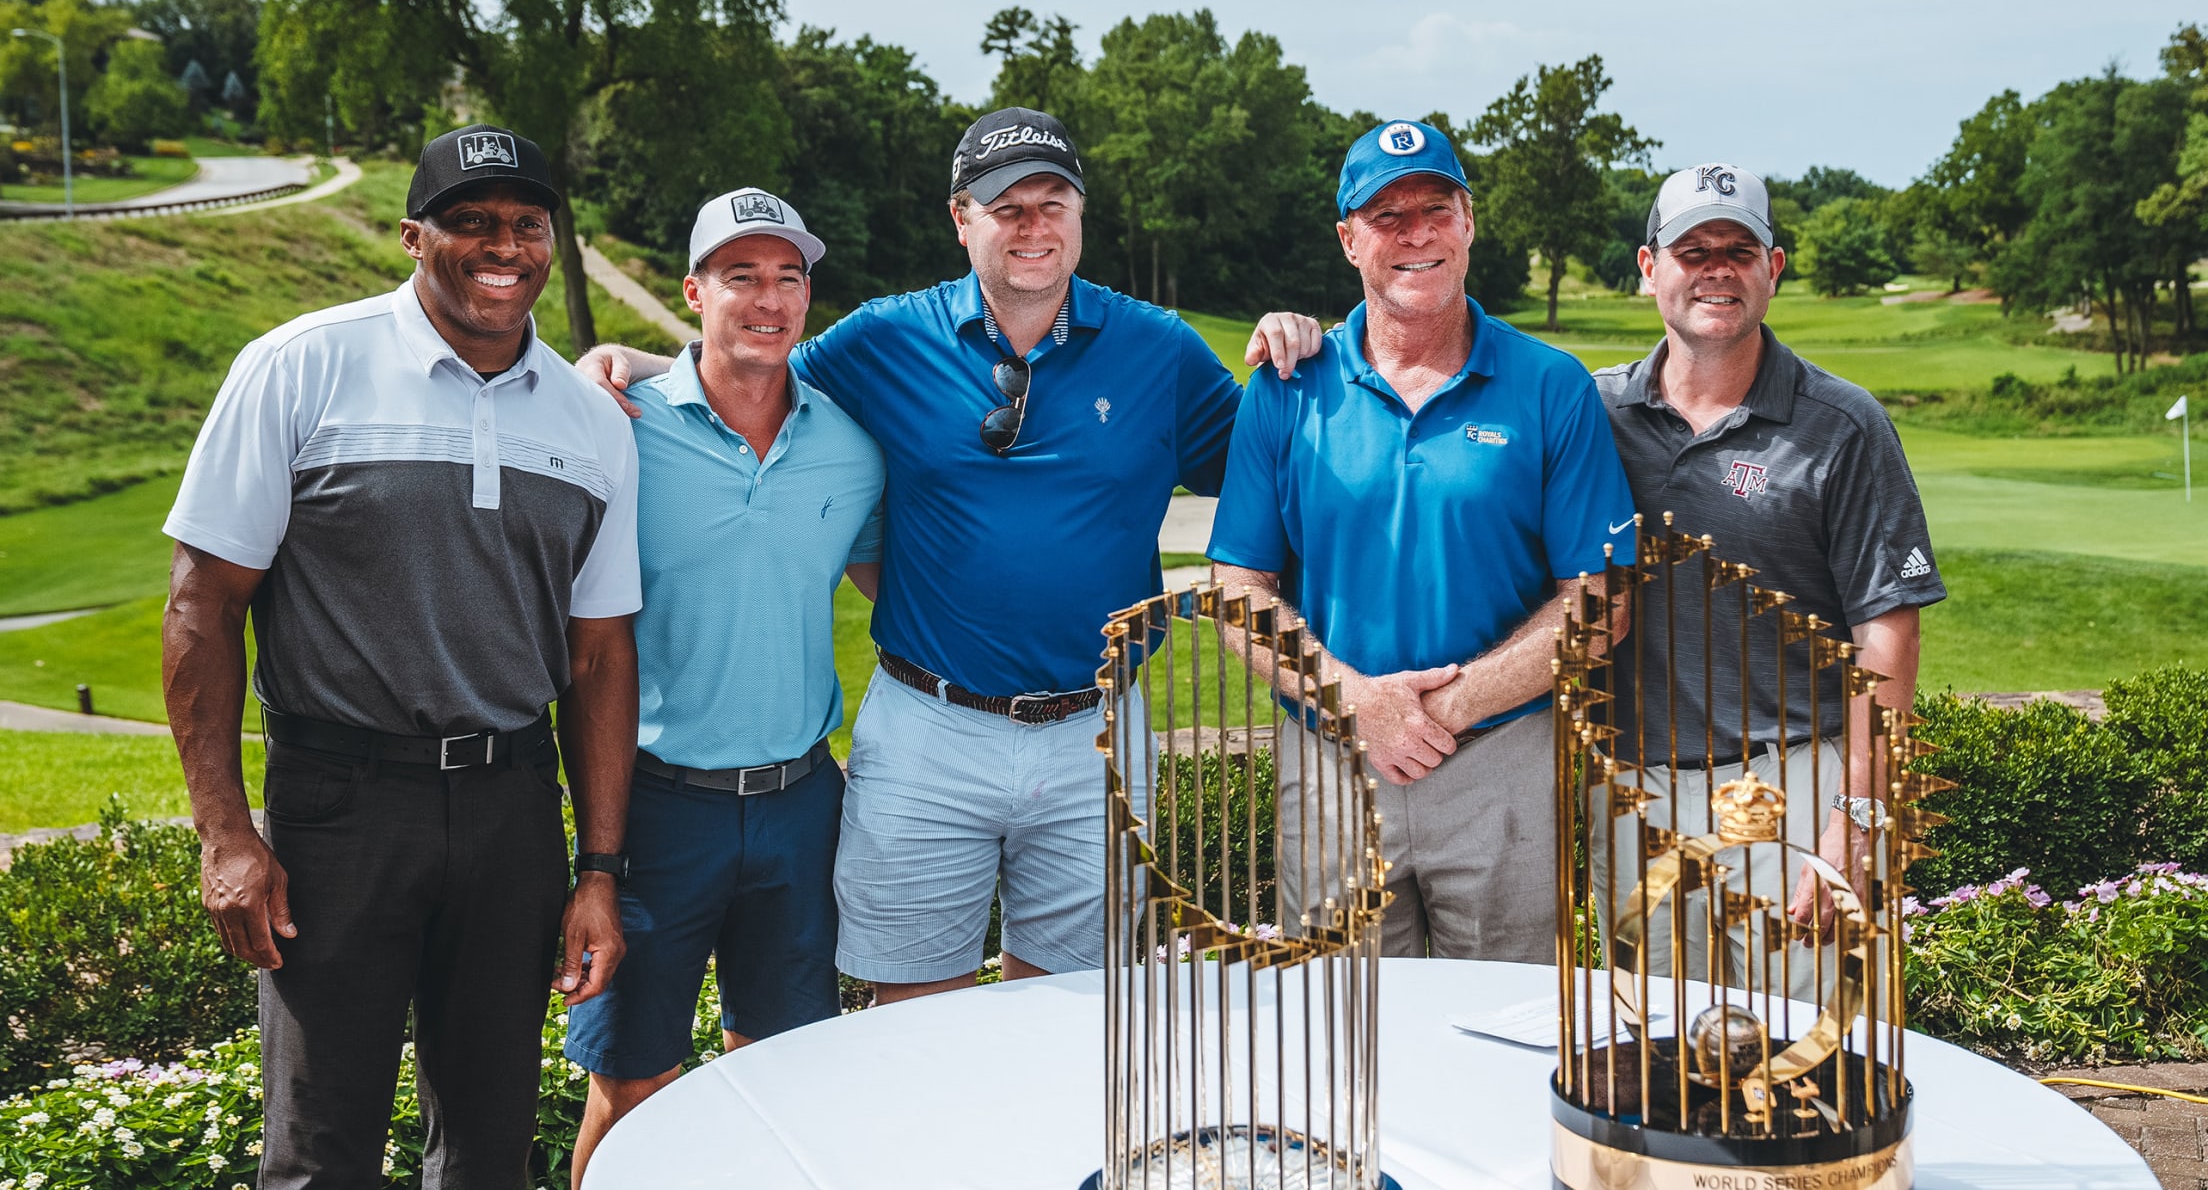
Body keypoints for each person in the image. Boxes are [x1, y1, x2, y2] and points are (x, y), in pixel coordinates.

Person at [576, 107, 1242, 1003]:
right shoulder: (888, 337)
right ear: (962, 219)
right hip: (930, 728)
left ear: (1082, 216)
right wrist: (628, 364)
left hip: (1099, 735)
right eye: (1008, 208)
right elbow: (755, 366)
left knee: (1071, 1019)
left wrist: (1302, 350)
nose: (1033, 227)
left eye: (1053, 204)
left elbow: (1274, 475)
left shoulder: (1161, 351)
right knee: (915, 1024)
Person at [162, 124, 640, 1189]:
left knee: (485, 1150)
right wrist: (227, 833)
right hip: (340, 804)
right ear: (414, 236)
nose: (502, 245)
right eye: (471, 221)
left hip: (514, 808)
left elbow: (601, 659)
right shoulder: (299, 367)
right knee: (320, 1151)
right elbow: (203, 605)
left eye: (526, 223)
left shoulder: (588, 420)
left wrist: (599, 870)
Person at [1211, 119, 1636, 962]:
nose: (1415, 233)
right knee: (1342, 1043)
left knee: (1502, 1033)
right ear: (1347, 240)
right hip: (1334, 760)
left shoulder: (1550, 385)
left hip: (1504, 762)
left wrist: (1443, 709)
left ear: (1468, 221)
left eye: (1435, 208)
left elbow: (1602, 602)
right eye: (1386, 216)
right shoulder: (1289, 388)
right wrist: (1357, 701)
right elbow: (1236, 589)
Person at [560, 188, 884, 1185]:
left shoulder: (851, 447)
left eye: (788, 277)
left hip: (798, 803)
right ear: (693, 290)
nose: (768, 298)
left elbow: (895, 586)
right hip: (657, 810)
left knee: (781, 1075)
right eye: (741, 276)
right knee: (632, 1083)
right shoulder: (618, 426)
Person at [1585, 163, 1944, 994]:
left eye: (1739, 250)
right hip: (1635, 791)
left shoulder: (1843, 422)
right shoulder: (1593, 413)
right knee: (1656, 1062)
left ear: (1772, 268)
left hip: (1795, 783)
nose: (1717, 268)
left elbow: (1887, 629)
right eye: (1692, 249)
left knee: (1809, 1066)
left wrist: (1855, 817)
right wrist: (1311, 340)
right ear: (1650, 269)